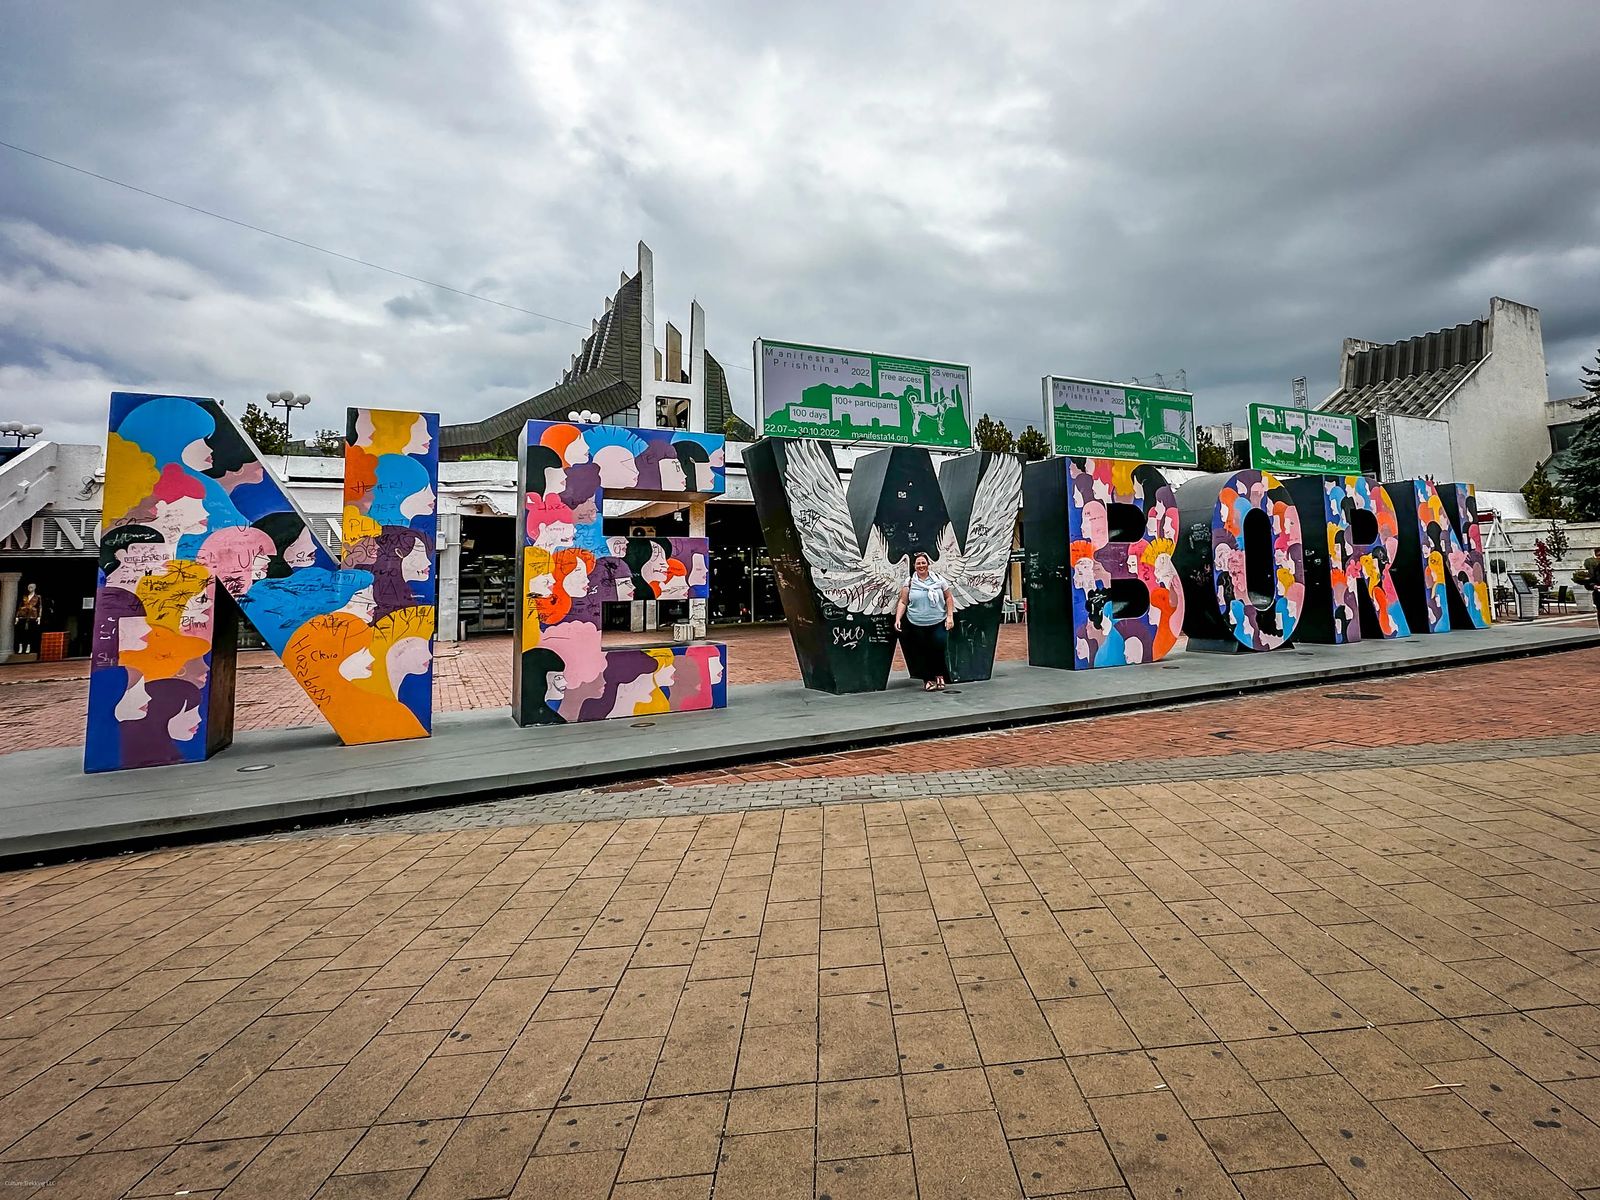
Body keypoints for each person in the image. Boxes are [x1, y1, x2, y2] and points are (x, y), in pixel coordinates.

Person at [894, 551, 954, 691]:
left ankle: (939, 675)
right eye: (918, 563)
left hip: (938, 620)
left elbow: (948, 598)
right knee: (923, 651)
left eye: (923, 563)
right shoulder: (909, 582)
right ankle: (928, 680)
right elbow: (903, 602)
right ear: (914, 565)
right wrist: (898, 619)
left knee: (938, 648)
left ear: (928, 564)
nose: (921, 566)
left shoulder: (939, 580)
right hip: (917, 623)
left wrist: (950, 616)